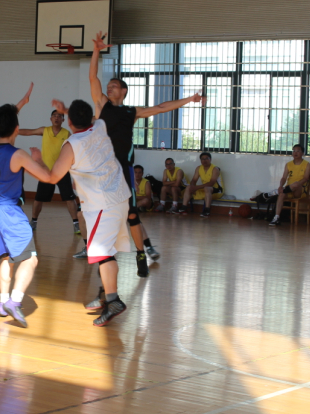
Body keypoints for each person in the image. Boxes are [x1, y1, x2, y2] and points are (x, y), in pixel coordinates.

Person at [54, 32, 203, 276]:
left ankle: (141, 252)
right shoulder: (102, 105)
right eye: (108, 86)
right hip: (101, 169)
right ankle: (102, 256)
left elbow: (161, 107)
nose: (109, 88)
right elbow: (92, 77)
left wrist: (190, 99)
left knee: (132, 214)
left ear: (123, 91)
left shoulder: (131, 111)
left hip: (122, 168)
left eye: (114, 86)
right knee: (98, 213)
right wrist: (96, 51)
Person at [41, 99, 131, 326]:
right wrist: (68, 110)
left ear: (69, 122)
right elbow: (89, 117)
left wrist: (35, 160)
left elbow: (52, 177)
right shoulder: (100, 125)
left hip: (103, 204)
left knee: (103, 254)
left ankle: (113, 301)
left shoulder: (72, 144)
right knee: (107, 253)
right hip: (120, 197)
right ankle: (105, 294)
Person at [0, 83, 53, 329]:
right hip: (8, 211)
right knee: (30, 258)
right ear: (17, 128)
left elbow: (3, 119)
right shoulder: (19, 154)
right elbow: (48, 178)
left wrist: (21, 103)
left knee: (7, 257)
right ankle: (15, 301)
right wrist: (39, 159)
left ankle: (3, 302)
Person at [19, 110, 80, 233]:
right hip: (46, 172)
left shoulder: (67, 134)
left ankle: (76, 224)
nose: (56, 118)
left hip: (62, 171)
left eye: (59, 116)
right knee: (38, 199)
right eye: (54, 116)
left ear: (63, 120)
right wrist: (13, 131)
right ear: (51, 118)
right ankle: (34, 222)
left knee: (69, 198)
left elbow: (73, 151)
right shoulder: (44, 130)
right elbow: (29, 132)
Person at [252, 144, 310, 226]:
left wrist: (297, 184)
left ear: (302, 153)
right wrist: (280, 186)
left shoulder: (307, 164)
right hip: (288, 189)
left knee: (296, 184)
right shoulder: (288, 164)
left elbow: (306, 178)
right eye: (294, 151)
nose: (295, 153)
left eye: (298, 151)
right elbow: (284, 178)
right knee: (281, 194)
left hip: (300, 190)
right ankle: (276, 217)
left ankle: (274, 192)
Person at [179, 152, 223, 217]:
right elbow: (194, 180)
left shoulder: (215, 169)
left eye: (206, 158)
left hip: (217, 190)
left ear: (210, 159)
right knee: (189, 187)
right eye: (203, 159)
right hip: (205, 189)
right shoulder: (199, 168)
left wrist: (196, 188)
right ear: (200, 160)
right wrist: (193, 187)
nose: (204, 160)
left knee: (207, 188)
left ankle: (207, 210)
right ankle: (184, 207)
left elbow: (211, 183)